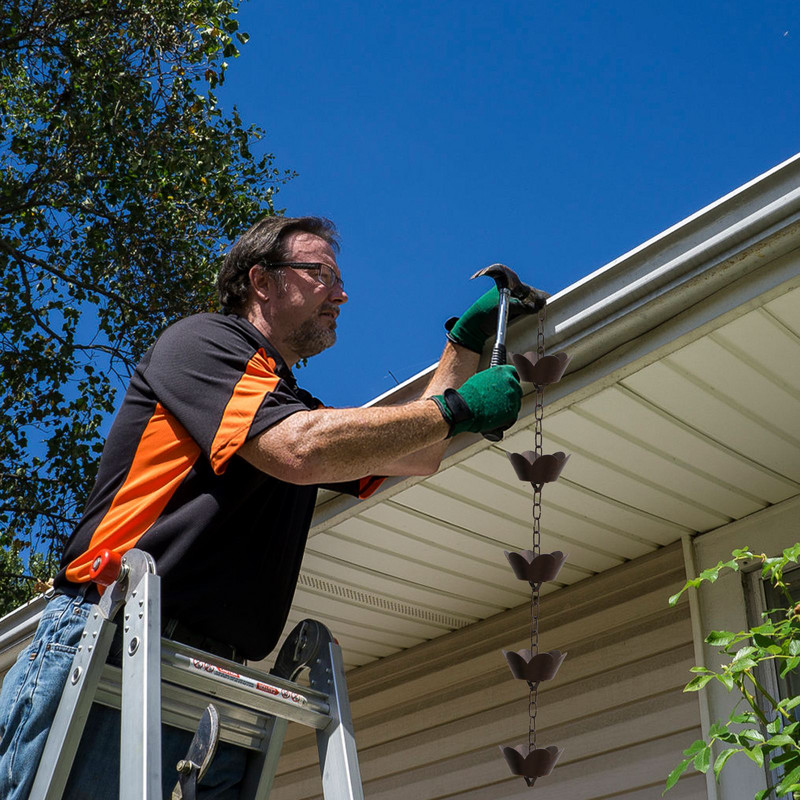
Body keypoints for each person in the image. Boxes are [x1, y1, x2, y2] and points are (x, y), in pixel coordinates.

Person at [0, 216, 527, 799]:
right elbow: (299, 449)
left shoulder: (286, 402)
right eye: (320, 273)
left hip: (206, 677)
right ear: (262, 281)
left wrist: (462, 348)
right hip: (109, 643)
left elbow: (417, 452)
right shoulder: (203, 343)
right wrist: (457, 409)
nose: (341, 293)